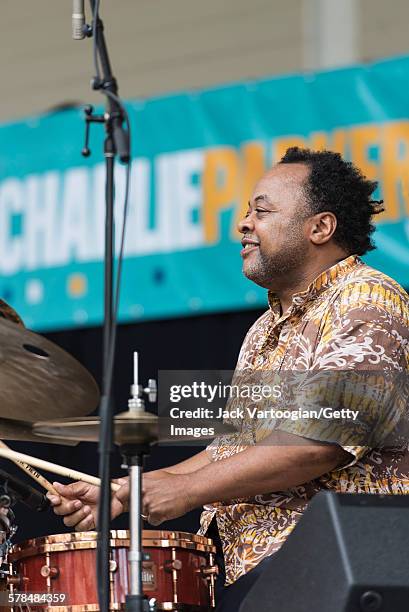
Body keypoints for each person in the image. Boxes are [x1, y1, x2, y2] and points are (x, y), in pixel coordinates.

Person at [48, 147, 409, 609]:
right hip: (265, 573)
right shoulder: (264, 328)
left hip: (336, 568)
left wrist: (185, 491)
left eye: (262, 210)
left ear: (321, 227)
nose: (244, 224)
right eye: (246, 211)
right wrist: (123, 493)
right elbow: (227, 451)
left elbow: (319, 443)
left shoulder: (366, 301)